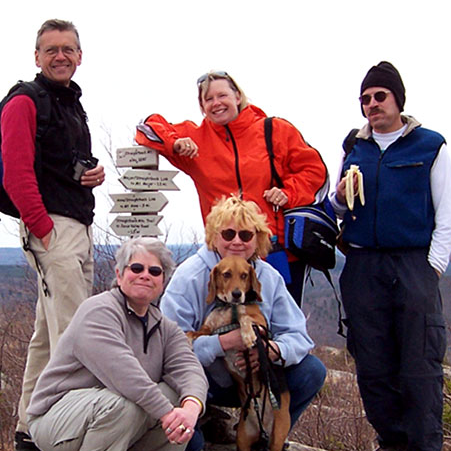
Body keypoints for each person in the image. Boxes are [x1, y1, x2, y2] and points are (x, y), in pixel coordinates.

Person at [330, 61, 451, 451]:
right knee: (372, 360)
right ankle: (392, 445)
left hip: (411, 263)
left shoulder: (430, 145)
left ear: (397, 99)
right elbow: (339, 208)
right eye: (365, 99)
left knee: (419, 362)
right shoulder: (354, 147)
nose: (371, 105)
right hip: (364, 263)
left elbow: (448, 213)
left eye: (379, 96)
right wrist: (340, 200)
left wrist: (432, 267)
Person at [26, 238, 208, 451]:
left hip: (106, 415)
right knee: (127, 400)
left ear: (163, 281)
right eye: (136, 267)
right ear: (119, 274)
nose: (145, 274)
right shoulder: (98, 310)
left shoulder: (164, 327)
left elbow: (190, 369)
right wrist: (168, 414)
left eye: (155, 271)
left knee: (175, 392)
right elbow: (123, 373)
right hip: (56, 421)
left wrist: (190, 408)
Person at [161, 196, 327, 451]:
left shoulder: (268, 277)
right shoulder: (190, 276)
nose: (237, 241)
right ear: (214, 237)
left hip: (252, 383)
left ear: (258, 240)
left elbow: (299, 336)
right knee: (165, 380)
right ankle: (192, 444)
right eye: (228, 233)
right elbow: (167, 348)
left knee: (312, 371)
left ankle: (266, 443)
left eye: (246, 234)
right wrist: (223, 343)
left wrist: (273, 350)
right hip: (203, 382)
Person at [1, 19, 106, 451]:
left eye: (68, 49)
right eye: (51, 50)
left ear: (80, 56)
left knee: (49, 335)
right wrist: (41, 227)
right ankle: (69, 436)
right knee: (76, 335)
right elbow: (17, 173)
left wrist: (90, 178)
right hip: (53, 230)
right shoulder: (25, 101)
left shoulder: (68, 104)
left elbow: (59, 167)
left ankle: (30, 426)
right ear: (37, 56)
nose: (60, 56)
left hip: (76, 225)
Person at [135, 71, 329, 305]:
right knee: (225, 329)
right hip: (223, 260)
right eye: (208, 99)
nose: (216, 103)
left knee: (280, 327)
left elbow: (316, 172)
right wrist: (174, 143)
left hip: (275, 253)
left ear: (237, 96)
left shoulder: (275, 130)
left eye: (222, 95)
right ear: (202, 106)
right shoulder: (197, 140)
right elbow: (147, 127)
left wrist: (288, 193)